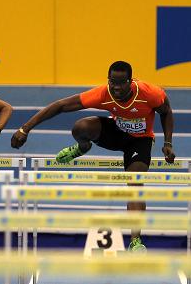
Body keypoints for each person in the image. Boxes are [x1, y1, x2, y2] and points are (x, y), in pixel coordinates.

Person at [11, 61, 175, 252]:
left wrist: (168, 143)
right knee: (81, 127)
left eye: (121, 83)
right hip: (116, 133)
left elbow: (167, 112)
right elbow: (60, 105)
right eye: (112, 82)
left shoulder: (150, 93)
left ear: (131, 81)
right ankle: (83, 147)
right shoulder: (103, 93)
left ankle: (135, 241)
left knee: (135, 183)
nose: (116, 87)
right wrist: (25, 128)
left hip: (140, 140)